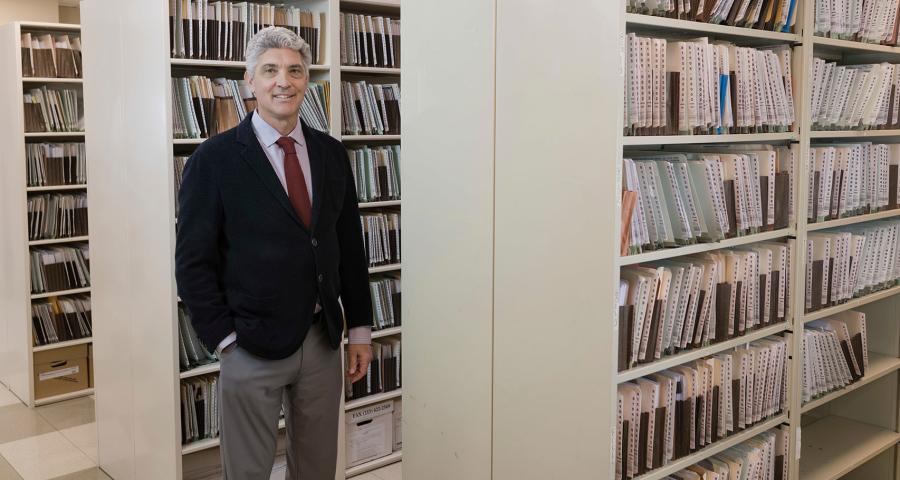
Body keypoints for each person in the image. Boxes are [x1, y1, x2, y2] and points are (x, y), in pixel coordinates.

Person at [175, 26, 373, 480]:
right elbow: (192, 262)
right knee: (246, 472)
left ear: (307, 80)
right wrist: (225, 340)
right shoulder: (214, 160)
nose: (283, 81)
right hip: (250, 344)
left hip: (322, 341)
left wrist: (359, 328)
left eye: (294, 71)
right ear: (250, 81)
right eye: (270, 70)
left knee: (318, 467)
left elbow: (349, 246)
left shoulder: (331, 155)